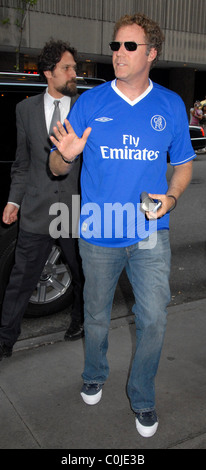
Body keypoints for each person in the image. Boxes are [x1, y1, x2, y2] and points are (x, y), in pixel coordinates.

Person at [49, 13, 195, 438]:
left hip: (150, 232)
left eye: (129, 46)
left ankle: (143, 396)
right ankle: (95, 372)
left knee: (153, 318)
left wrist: (170, 198)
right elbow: (57, 166)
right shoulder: (91, 103)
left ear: (151, 53)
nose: (119, 54)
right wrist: (68, 155)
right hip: (98, 232)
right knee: (95, 316)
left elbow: (184, 166)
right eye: (115, 46)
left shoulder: (169, 104)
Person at [0, 40, 84, 363]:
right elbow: (22, 163)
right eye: (67, 68)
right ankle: (5, 338)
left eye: (74, 67)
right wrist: (14, 201)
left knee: (82, 276)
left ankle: (79, 322)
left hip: (75, 210)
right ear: (48, 73)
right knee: (21, 280)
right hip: (35, 210)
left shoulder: (84, 107)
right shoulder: (25, 110)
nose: (74, 72)